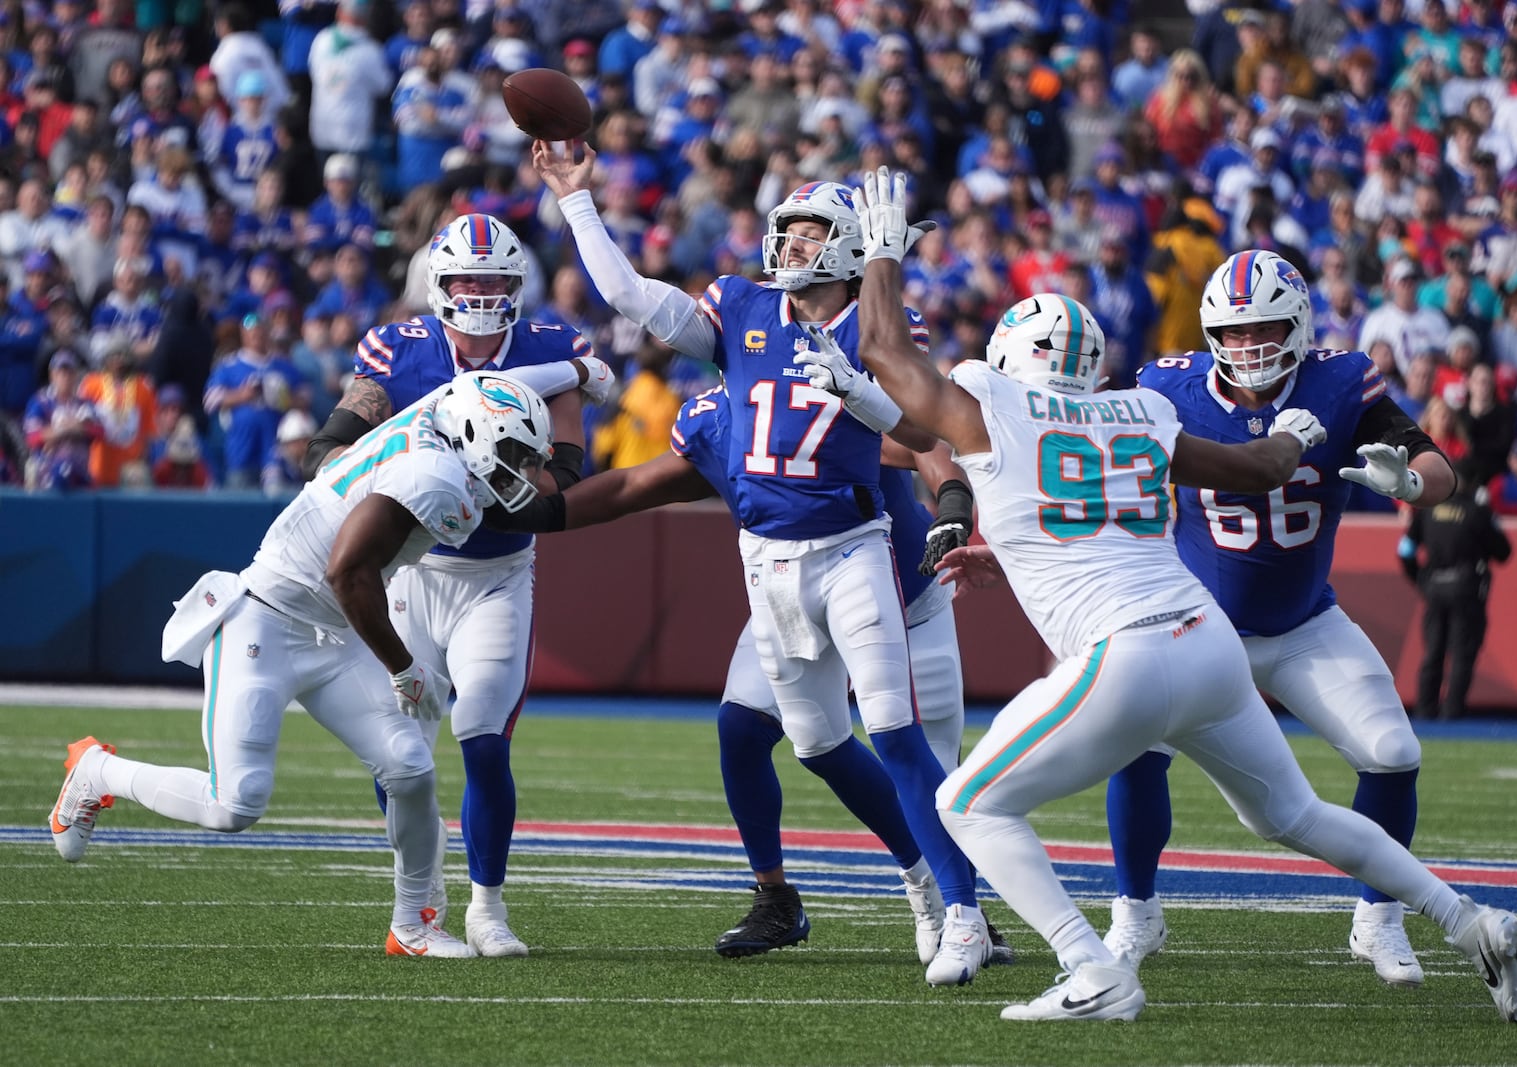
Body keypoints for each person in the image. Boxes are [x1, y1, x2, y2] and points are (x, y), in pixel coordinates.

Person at [847, 166, 1517, 1024]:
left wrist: (880, 254)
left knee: (964, 803)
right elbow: (1258, 469)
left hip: (1125, 651)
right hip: (1205, 638)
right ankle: (1471, 919)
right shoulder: (1140, 410)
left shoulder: (989, 404)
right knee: (1294, 812)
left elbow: (887, 352)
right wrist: (1295, 432)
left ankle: (1090, 965)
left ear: (1000, 366)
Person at [532, 140, 992, 987]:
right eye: (789, 230)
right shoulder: (741, 314)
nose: (790, 246)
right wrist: (577, 202)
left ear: (852, 250)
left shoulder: (876, 329)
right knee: (816, 740)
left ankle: (958, 907)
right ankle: (914, 880)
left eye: (812, 233)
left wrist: (931, 477)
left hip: (864, 551)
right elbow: (630, 297)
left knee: (896, 732)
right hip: (769, 566)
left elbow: (922, 429)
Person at [48, 371, 558, 959]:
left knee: (410, 765)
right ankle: (95, 772)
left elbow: (472, 382)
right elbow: (348, 572)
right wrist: (403, 667)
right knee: (234, 804)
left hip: (333, 629)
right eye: (518, 453)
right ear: (476, 433)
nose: (529, 472)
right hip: (265, 619)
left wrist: (574, 371)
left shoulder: (440, 425)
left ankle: (413, 923)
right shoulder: (436, 475)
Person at [517, 382, 1014, 962]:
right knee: (747, 728)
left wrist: (952, 501)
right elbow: (634, 484)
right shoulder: (716, 418)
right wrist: (538, 512)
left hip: (905, 601)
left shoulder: (823, 393)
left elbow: (927, 444)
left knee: (929, 773)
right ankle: (781, 896)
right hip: (789, 598)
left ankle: (957, 907)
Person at [1100, 247, 1461, 990]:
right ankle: (1135, 909)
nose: (1246, 346)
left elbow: (1440, 469)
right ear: (1208, 334)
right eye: (1231, 332)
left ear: (1297, 324)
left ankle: (1378, 919)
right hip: (1198, 625)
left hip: (1303, 623)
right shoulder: (1164, 388)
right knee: (1135, 745)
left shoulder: (1340, 380)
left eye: (1262, 327)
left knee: (1392, 752)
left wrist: (1411, 483)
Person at [303, 212, 613, 959]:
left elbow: (562, 477)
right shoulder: (398, 348)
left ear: (516, 286)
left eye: (493, 279)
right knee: (399, 752)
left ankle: (488, 906)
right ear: (439, 284)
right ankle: (419, 898)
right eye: (467, 278)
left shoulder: (550, 344)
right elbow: (331, 448)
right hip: (411, 573)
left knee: (481, 736)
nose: (479, 291)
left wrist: (507, 482)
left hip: (495, 576)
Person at [1400, 459, 1513, 720]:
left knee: (1433, 651)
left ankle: (1425, 711)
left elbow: (1404, 550)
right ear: (1474, 483)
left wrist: (1420, 580)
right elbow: (1504, 552)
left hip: (1434, 587)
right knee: (1462, 652)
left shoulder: (1427, 510)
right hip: (1466, 588)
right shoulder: (1478, 512)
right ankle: (1452, 713)